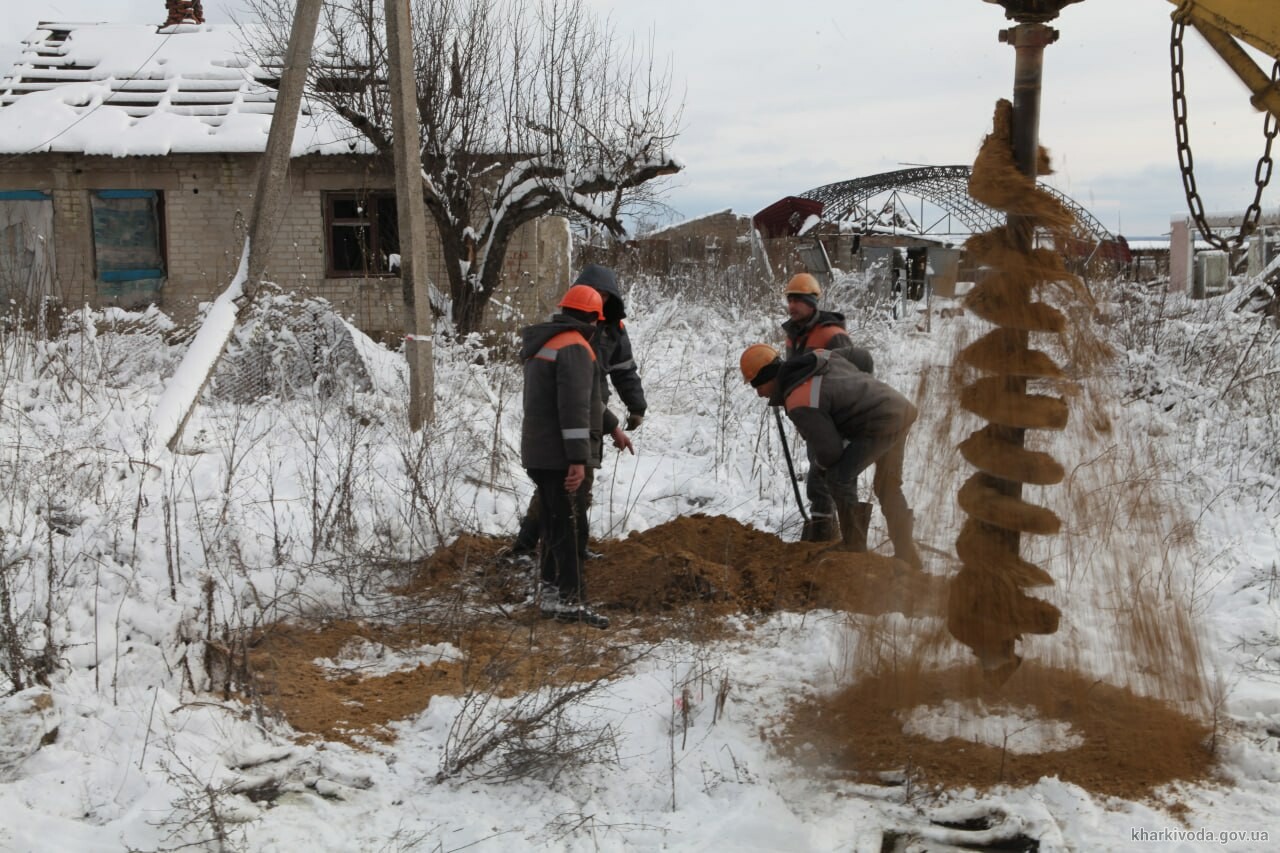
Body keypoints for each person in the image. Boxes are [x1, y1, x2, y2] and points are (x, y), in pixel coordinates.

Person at [739, 343, 922, 570]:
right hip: (897, 408)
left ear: (769, 376)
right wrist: (859, 390)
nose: (758, 393)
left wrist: (823, 464)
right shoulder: (818, 357)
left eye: (757, 385)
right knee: (887, 486)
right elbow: (860, 356)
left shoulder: (799, 400)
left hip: (879, 423)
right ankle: (907, 556)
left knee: (838, 478)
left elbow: (830, 452)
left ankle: (853, 549)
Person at [508, 264, 644, 561]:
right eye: (595, 294)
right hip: (572, 418)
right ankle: (540, 552)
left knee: (574, 487)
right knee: (565, 487)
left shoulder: (613, 331)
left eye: (605, 296)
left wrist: (634, 408)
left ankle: (567, 551)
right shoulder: (566, 335)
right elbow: (571, 399)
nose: (599, 301)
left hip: (592, 413)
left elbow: (624, 371)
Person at [519, 284, 630, 628]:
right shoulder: (576, 348)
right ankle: (570, 599)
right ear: (593, 320)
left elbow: (585, 402)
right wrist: (578, 460)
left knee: (554, 523)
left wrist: (612, 427)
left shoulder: (548, 343)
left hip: (539, 452)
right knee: (569, 526)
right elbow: (574, 409)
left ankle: (551, 591)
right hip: (559, 456)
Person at [780, 273, 875, 546]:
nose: (792, 305)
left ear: (812, 302)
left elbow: (855, 376)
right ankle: (823, 530)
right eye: (790, 299)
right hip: (813, 415)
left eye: (798, 299)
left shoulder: (832, 335)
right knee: (818, 471)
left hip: (838, 415)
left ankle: (850, 539)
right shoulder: (794, 337)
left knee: (839, 474)